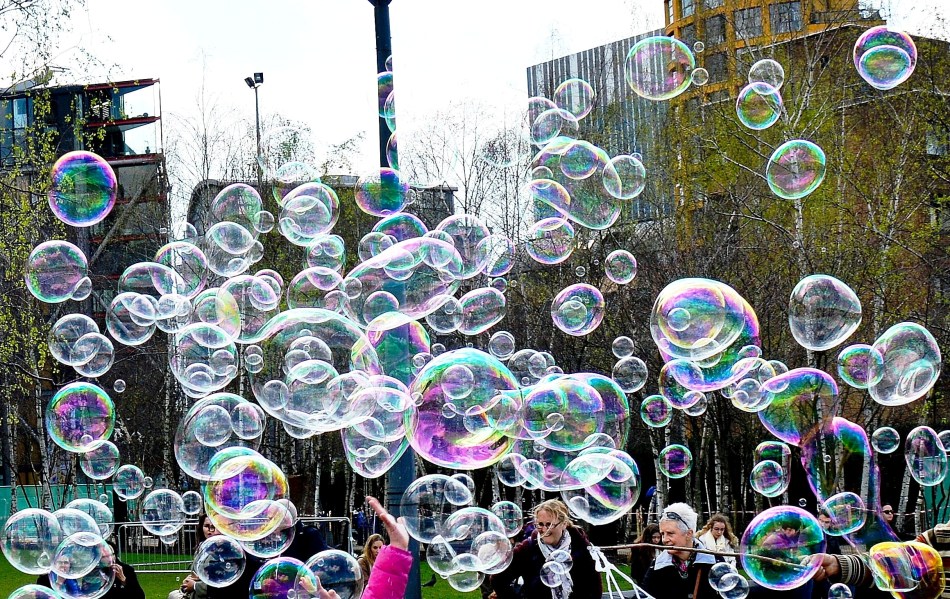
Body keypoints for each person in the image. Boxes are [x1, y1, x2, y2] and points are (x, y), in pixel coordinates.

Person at [491, 499, 602, 599]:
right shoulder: (528, 548)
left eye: (549, 524)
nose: (544, 530)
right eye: (540, 524)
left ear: (564, 524)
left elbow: (594, 587)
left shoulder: (581, 546)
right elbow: (498, 579)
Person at [642, 503, 719, 599]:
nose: (664, 540)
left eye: (670, 533)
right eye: (662, 534)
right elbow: (644, 595)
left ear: (689, 534)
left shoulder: (714, 562)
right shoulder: (657, 565)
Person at [37, 539, 145, 599]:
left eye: (111, 555)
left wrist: (124, 580)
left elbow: (139, 596)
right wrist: (59, 582)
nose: (110, 559)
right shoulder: (87, 571)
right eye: (104, 556)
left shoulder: (126, 570)